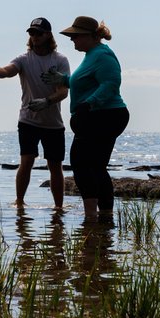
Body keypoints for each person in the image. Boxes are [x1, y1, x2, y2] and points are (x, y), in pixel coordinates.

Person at [43, 16, 130, 223]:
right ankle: (104, 216)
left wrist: (89, 103)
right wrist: (63, 80)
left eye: (76, 36)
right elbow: (85, 80)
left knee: (82, 164)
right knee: (96, 166)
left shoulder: (102, 55)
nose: (72, 40)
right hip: (99, 115)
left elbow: (111, 83)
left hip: (104, 115)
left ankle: (91, 215)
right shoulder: (92, 54)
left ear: (90, 36)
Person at [0, 17, 70, 209]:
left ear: (48, 35)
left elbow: (63, 91)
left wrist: (47, 101)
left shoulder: (60, 60)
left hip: (53, 123)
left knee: (55, 166)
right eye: (31, 33)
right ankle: (19, 203)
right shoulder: (23, 59)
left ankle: (58, 207)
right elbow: (6, 71)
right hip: (28, 120)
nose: (34, 37)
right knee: (26, 161)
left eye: (38, 33)